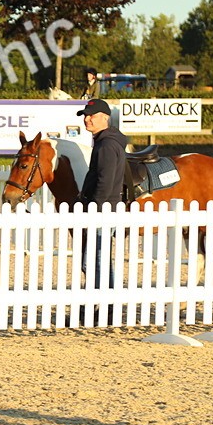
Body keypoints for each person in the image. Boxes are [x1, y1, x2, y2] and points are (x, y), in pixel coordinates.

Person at [77, 98, 127, 321]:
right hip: (105, 209)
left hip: (103, 211)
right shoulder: (105, 142)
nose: (87, 119)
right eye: (85, 116)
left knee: (95, 261)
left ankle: (104, 307)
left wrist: (95, 210)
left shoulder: (106, 145)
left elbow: (105, 182)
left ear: (105, 118)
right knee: (99, 261)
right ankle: (105, 307)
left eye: (92, 116)